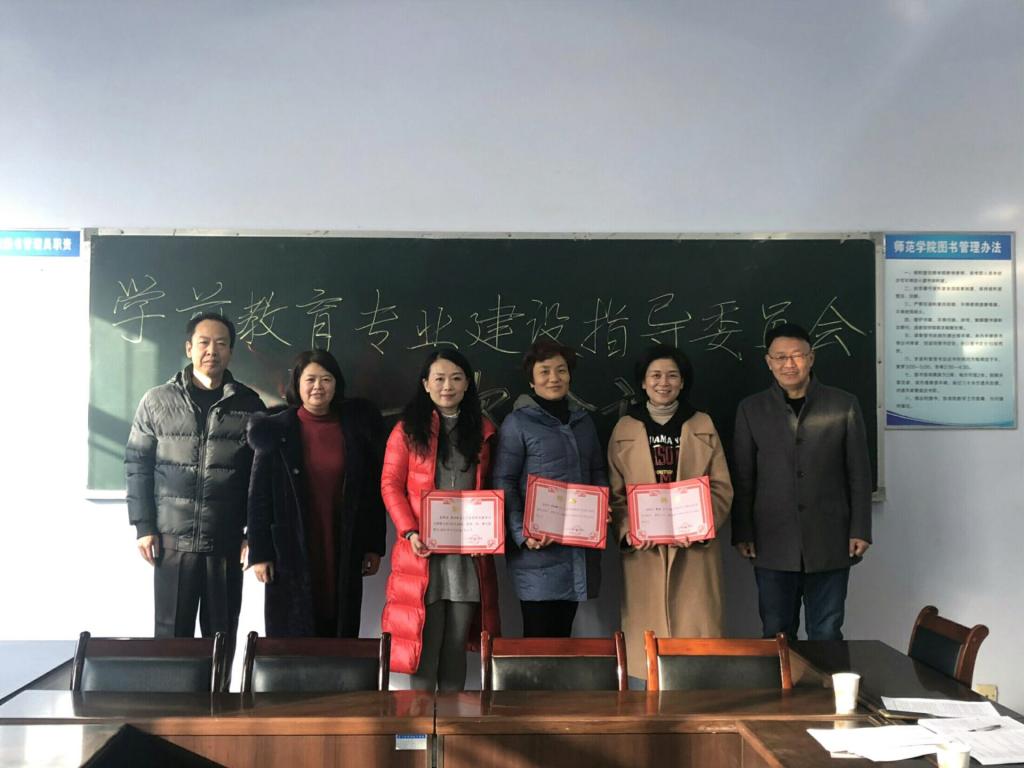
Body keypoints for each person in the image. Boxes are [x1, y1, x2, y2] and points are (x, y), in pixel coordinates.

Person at [125, 312, 264, 673]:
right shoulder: (157, 401)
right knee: (171, 641)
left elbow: (260, 478)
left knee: (221, 640)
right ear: (189, 348)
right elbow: (137, 465)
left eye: (221, 343)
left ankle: (218, 706)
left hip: (226, 542)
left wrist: (254, 535)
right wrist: (143, 526)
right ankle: (171, 705)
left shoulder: (249, 405)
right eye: (204, 342)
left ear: (230, 352)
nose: (211, 350)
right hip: (172, 543)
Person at [731, 322, 872, 641]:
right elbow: (743, 476)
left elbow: (859, 473)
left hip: (830, 538)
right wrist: (743, 531)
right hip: (771, 541)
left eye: (796, 355)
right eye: (780, 357)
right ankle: (784, 679)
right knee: (776, 631)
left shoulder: (843, 405)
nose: (789, 364)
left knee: (827, 630)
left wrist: (860, 528)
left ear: (811, 358)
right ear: (768, 362)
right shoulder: (751, 409)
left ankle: (825, 678)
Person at [607, 344, 733, 678]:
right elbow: (615, 494)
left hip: (695, 552)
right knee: (647, 652)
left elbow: (721, 487)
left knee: (696, 649)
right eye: (656, 375)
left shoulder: (702, 423)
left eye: (672, 376)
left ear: (683, 382)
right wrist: (628, 532)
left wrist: (703, 527)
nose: (664, 383)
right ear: (643, 382)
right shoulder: (625, 428)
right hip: (644, 554)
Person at [381, 350, 501, 690]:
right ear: (426, 384)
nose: (447, 386)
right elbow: (390, 485)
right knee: (424, 646)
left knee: (456, 646)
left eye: (456, 378)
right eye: (439, 378)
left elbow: (491, 488)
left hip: (467, 558)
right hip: (422, 554)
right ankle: (419, 723)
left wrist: (488, 535)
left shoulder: (484, 430)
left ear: (467, 384)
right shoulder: (407, 430)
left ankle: (450, 721)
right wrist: (410, 531)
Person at [246, 349, 386, 637]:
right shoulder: (276, 430)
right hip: (289, 549)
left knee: (340, 630)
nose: (318, 387)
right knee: (292, 638)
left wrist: (374, 545)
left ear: (337, 384)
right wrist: (260, 553)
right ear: (297, 384)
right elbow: (258, 497)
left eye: (326, 379)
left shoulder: (355, 431)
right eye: (310, 379)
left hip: (342, 543)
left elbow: (371, 493)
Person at [492, 340, 608, 638]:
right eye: (544, 371)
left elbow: (597, 470)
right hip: (537, 553)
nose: (554, 378)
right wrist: (522, 533)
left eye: (561, 370)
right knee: (539, 639)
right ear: (531, 380)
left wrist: (601, 507)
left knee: (563, 640)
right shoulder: (517, 423)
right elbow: (504, 480)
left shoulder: (583, 422)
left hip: (576, 550)